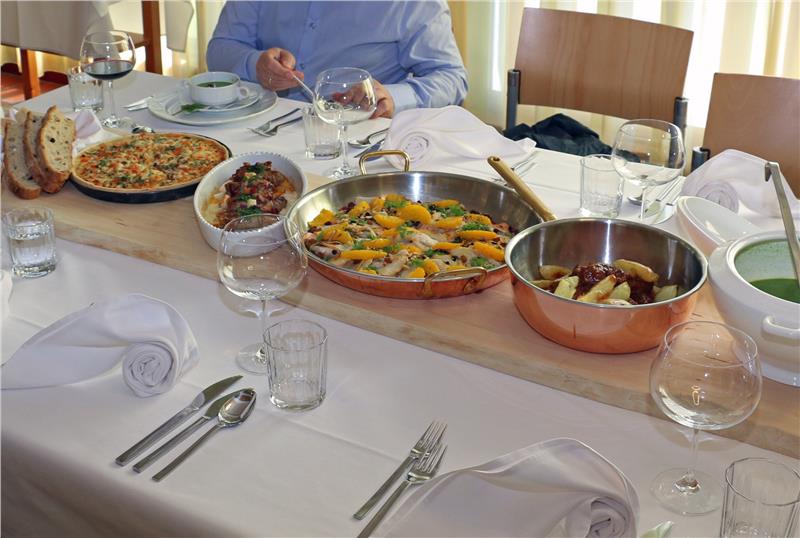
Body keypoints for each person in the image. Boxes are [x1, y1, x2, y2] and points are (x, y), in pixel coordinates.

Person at [206, 1, 468, 119]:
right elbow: (220, 48)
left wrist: (392, 96)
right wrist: (255, 64)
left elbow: (451, 77)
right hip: (258, 125)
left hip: (356, 140)